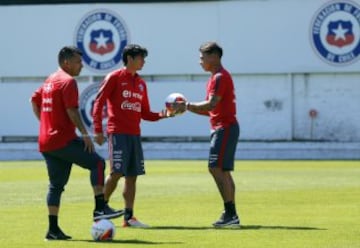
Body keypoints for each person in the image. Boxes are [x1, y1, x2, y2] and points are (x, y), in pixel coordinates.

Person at [30, 46, 121, 241]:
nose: (82, 66)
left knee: (55, 186)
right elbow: (72, 111)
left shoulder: (50, 80)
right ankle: (99, 208)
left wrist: (46, 123)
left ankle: (52, 230)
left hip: (47, 142)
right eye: (78, 62)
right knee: (97, 163)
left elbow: (34, 100)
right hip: (62, 140)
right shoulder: (68, 81)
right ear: (66, 63)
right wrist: (85, 134)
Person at [92, 44, 172, 228]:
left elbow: (146, 113)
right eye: (141, 58)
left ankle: (128, 218)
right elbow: (99, 102)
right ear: (129, 58)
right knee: (116, 172)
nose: (143, 61)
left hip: (135, 134)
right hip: (118, 133)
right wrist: (98, 129)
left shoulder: (141, 83)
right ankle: (100, 209)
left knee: (132, 176)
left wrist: (165, 114)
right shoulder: (114, 77)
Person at [175, 42, 240, 227]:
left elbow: (211, 104)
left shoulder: (219, 77)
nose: (200, 61)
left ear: (214, 57)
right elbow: (211, 110)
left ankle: (231, 214)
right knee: (223, 171)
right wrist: (187, 108)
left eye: (203, 57)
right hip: (224, 127)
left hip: (224, 127)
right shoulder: (215, 78)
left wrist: (186, 106)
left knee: (215, 168)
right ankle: (231, 214)